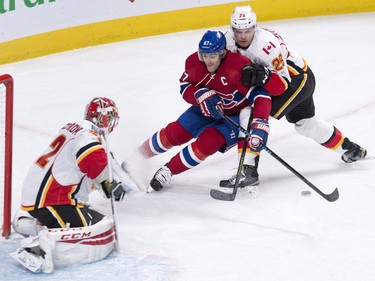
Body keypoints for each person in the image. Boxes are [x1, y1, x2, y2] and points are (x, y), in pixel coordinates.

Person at [219, 5, 367, 189]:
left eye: (247, 30)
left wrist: (265, 76)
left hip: (296, 80)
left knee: (251, 113)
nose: (242, 36)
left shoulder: (266, 46)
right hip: (295, 78)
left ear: (254, 27)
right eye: (238, 31)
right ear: (232, 28)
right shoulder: (226, 41)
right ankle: (350, 149)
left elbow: (281, 85)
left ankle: (248, 171)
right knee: (306, 125)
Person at [11, 97, 134, 273]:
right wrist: (110, 184)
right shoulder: (88, 136)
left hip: (40, 195)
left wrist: (109, 181)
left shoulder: (77, 128)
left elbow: (88, 169)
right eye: (111, 119)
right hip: (52, 199)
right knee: (96, 229)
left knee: (95, 218)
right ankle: (37, 250)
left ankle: (26, 222)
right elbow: (92, 159)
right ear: (104, 118)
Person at [138, 30, 272, 192]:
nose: (207, 61)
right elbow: (185, 85)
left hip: (235, 115)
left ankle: (168, 170)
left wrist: (260, 121)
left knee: (207, 143)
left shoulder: (238, 66)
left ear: (222, 53)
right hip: (207, 107)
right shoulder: (194, 63)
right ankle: (137, 157)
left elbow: (261, 95)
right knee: (177, 132)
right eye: (204, 55)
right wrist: (198, 94)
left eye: (212, 56)